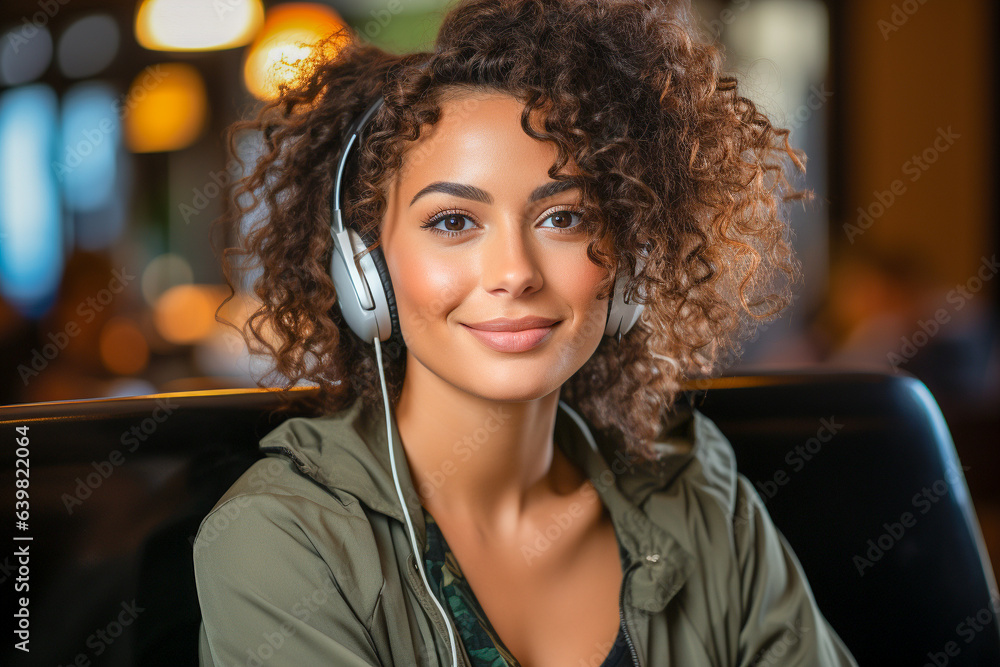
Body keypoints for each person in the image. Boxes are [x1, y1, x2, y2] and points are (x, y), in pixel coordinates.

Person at [193, 0, 859, 665]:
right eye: (454, 222)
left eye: (564, 218)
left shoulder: (697, 493)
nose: (514, 273)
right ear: (364, 271)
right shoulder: (278, 542)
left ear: (628, 262)